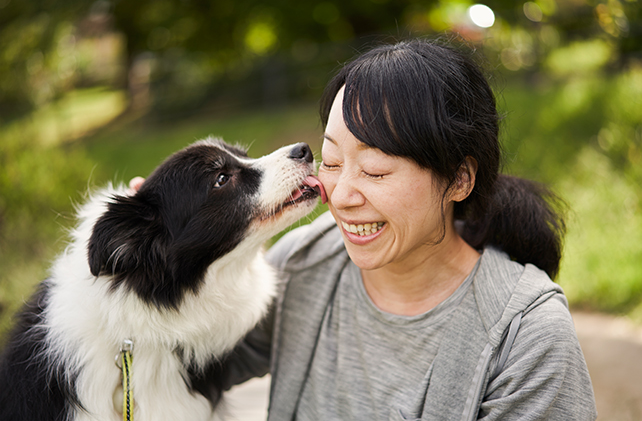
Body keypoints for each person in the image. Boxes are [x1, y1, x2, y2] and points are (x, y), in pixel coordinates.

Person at [136, 39, 597, 420]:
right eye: (332, 161)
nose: (340, 195)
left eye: (375, 171)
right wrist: (158, 251)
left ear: (459, 179)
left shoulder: (527, 337)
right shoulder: (304, 263)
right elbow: (170, 368)